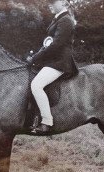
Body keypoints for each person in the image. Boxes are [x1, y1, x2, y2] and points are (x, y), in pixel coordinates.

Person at [27, 0, 78, 133]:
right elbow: (48, 44)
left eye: (53, 2)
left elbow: (56, 45)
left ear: (62, 2)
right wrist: (36, 57)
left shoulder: (65, 20)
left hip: (60, 62)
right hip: (53, 60)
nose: (50, 4)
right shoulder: (58, 19)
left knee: (36, 85)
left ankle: (46, 121)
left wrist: (36, 58)